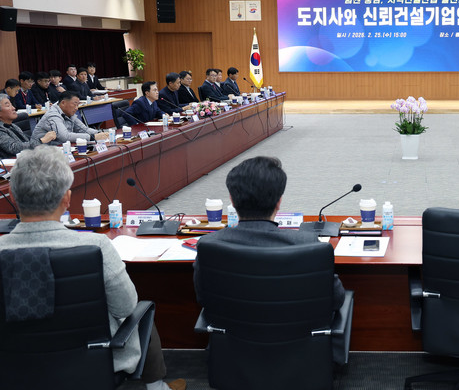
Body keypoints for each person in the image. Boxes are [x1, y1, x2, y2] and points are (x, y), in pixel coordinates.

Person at [0, 146, 186, 390]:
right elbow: (126, 306)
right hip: (91, 362)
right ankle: (156, 387)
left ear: (12, 197)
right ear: (67, 199)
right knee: (142, 310)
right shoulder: (95, 245)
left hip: (12, 363)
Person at [194, 156, 346, 312]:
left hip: (230, 326)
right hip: (295, 326)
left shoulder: (208, 244)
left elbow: (203, 298)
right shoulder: (308, 244)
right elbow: (336, 298)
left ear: (232, 201)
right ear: (279, 201)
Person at [31, 91, 109, 144]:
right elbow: (64, 137)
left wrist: (100, 133)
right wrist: (92, 137)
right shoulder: (53, 115)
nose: (76, 108)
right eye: (74, 104)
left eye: (78, 105)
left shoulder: (68, 113)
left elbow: (83, 129)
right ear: (63, 103)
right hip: (41, 150)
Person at [0, 94, 56, 158]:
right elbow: (14, 147)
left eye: (12, 105)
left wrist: (44, 138)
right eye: (8, 106)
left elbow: (28, 142)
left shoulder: (13, 126)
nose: (13, 108)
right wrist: (42, 140)